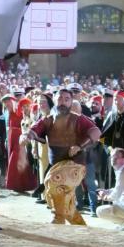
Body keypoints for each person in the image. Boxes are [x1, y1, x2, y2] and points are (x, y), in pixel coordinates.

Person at [23, 89, 101, 225]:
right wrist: (26, 137)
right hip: (58, 167)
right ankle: (79, 225)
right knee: (65, 200)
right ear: (54, 100)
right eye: (60, 99)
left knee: (52, 181)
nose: (63, 102)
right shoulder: (47, 120)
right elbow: (33, 131)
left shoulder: (79, 119)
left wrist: (80, 146)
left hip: (76, 165)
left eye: (66, 99)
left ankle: (57, 218)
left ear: (71, 102)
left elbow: (96, 132)